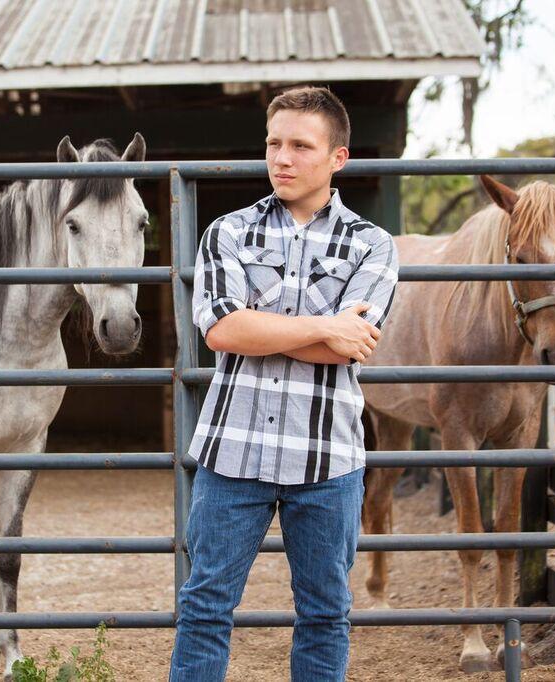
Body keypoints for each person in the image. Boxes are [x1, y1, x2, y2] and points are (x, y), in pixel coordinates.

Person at [168, 86, 399, 681]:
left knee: (325, 613)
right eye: (274, 143)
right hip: (232, 446)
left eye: (301, 145)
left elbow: (355, 345)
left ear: (337, 157)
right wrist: (324, 327)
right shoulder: (226, 232)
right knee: (204, 605)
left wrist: (263, 327)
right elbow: (221, 331)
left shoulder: (373, 244)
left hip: (328, 457)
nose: (283, 158)